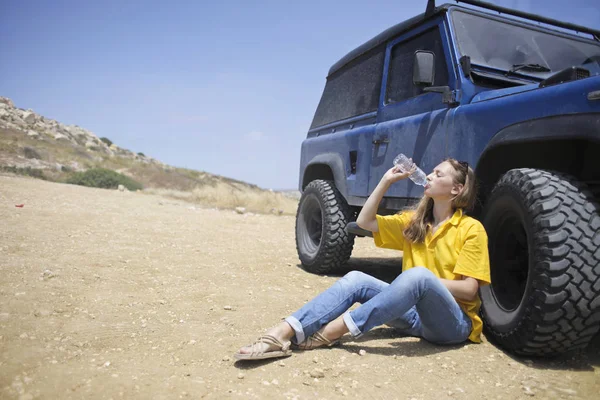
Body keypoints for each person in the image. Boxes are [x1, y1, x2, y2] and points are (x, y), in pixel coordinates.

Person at [235, 158, 491, 361]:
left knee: (417, 277)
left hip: (452, 324)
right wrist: (385, 181)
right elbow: (364, 222)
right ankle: (282, 333)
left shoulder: (471, 229)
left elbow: (469, 290)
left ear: (456, 189)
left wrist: (419, 284)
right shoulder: (415, 223)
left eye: (439, 174)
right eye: (432, 171)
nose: (430, 175)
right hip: (412, 318)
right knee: (356, 279)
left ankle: (334, 331)